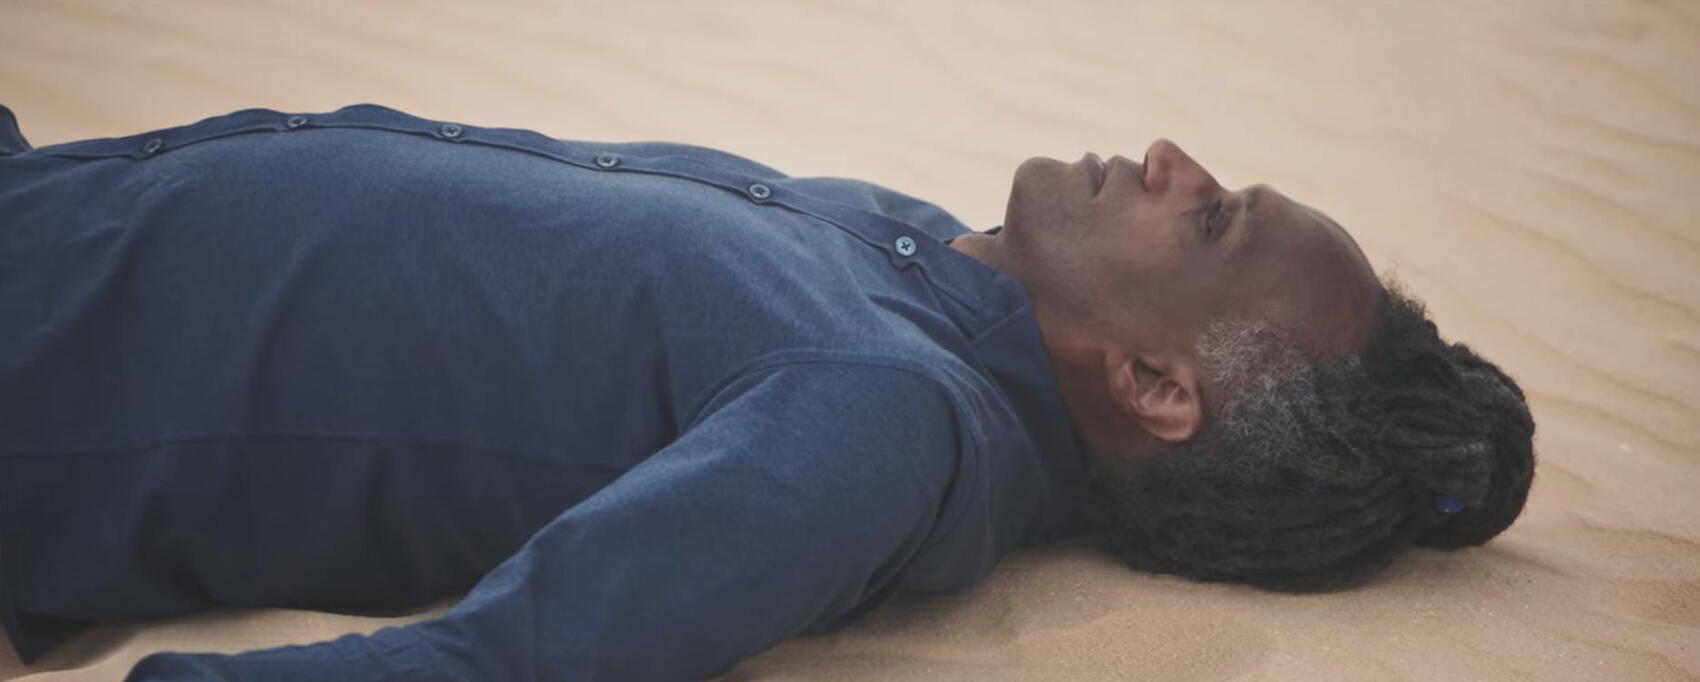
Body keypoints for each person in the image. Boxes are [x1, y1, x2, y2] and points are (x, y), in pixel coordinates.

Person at [0, 103, 1536, 681]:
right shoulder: (938, 266)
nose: (1170, 157)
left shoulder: (880, 415)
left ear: (1150, 381)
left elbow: (523, 655)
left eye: (1207, 221)